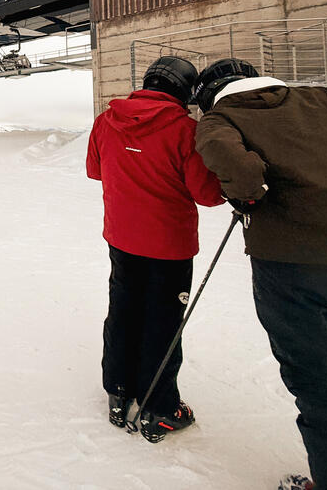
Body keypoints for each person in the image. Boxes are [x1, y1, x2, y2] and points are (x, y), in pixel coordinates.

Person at [193, 60, 327, 490]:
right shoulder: (316, 98)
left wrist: (247, 196)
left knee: (320, 385)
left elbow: (238, 167)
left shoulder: (219, 118)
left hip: (292, 268)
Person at [86, 56, 224, 443]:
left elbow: (95, 170)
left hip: (121, 237)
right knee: (162, 321)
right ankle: (159, 407)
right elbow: (208, 195)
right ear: (184, 92)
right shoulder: (185, 129)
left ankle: (118, 390)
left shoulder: (106, 120)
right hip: (170, 245)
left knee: (123, 310)